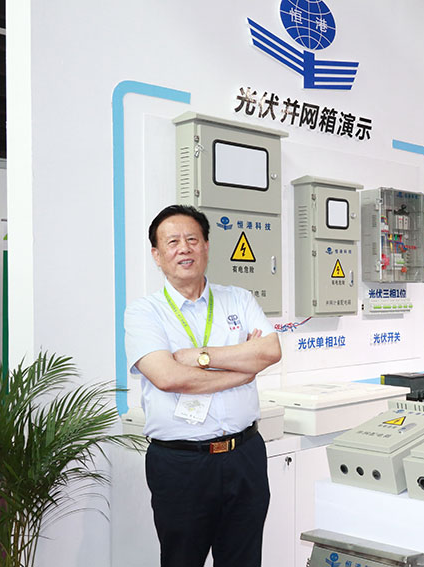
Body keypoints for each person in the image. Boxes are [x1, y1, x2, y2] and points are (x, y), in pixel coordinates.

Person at [124, 204, 281, 567]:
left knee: (244, 560)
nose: (185, 248)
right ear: (157, 255)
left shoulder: (239, 299)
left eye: (192, 239)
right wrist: (241, 370)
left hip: (245, 455)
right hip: (181, 463)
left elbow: (270, 351)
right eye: (173, 242)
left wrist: (200, 357)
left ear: (206, 246)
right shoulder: (144, 312)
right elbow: (168, 377)